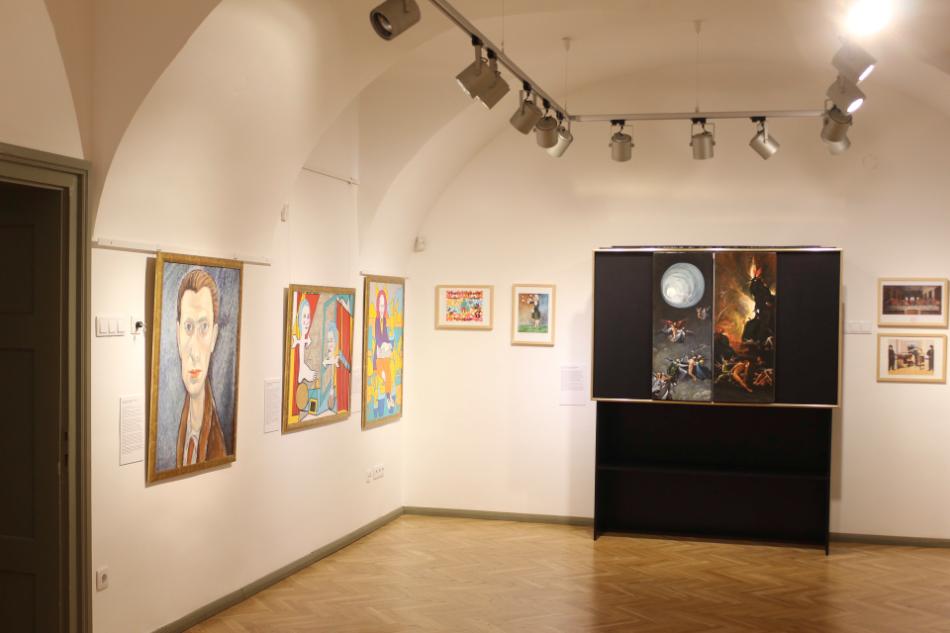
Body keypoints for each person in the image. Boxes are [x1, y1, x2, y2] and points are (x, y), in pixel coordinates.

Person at [175, 268, 227, 467]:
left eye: (204, 327)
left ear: (214, 337)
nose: (195, 352)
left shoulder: (217, 442)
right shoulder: (184, 425)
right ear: (177, 335)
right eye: (188, 327)